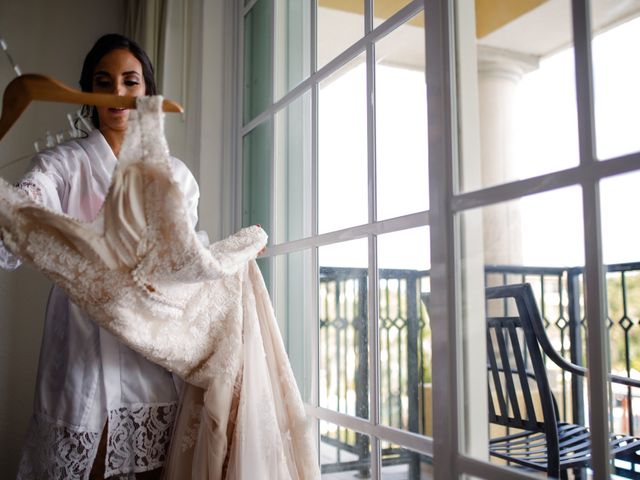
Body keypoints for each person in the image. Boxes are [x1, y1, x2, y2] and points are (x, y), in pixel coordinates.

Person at [0, 34, 199, 480]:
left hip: (149, 345)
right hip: (78, 343)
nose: (118, 93)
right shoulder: (65, 164)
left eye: (130, 81)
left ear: (147, 90)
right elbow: (24, 210)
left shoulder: (177, 177)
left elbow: (183, 264)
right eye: (103, 81)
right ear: (86, 91)